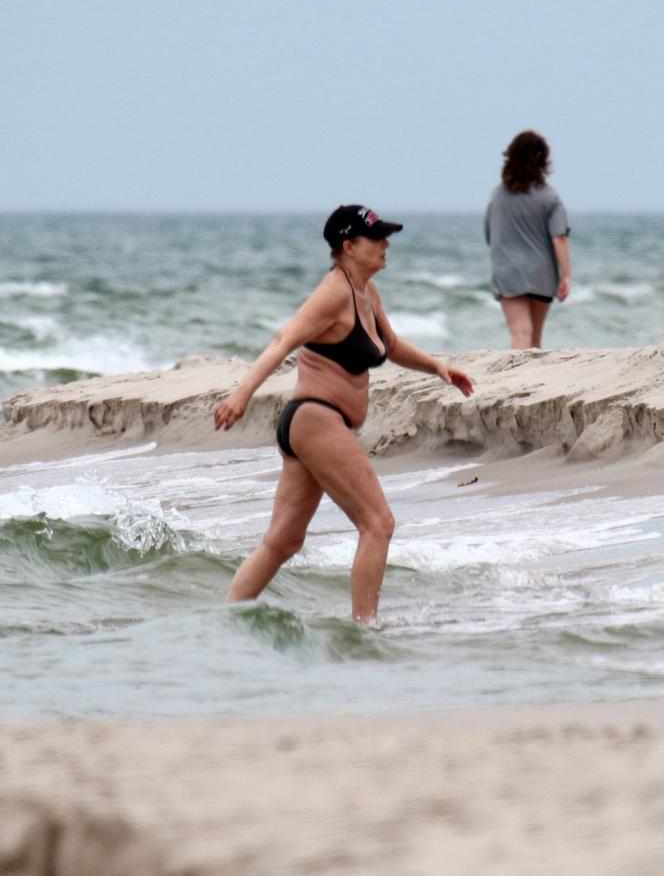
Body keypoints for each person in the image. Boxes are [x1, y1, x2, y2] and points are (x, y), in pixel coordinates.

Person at [214, 205, 474, 624]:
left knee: (283, 542)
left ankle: (225, 621)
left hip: (311, 425)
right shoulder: (333, 293)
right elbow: (284, 339)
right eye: (378, 239)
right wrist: (240, 395)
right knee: (378, 524)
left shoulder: (367, 292)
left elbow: (390, 343)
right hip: (317, 419)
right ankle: (365, 631)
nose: (387, 244)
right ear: (349, 246)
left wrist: (438, 367)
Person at [484, 130, 571, 349]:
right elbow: (559, 238)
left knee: (519, 332)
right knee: (535, 337)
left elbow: (489, 234)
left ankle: (518, 378)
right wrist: (566, 275)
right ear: (542, 160)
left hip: (508, 271)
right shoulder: (550, 197)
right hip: (542, 273)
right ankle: (533, 379)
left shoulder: (498, 195)